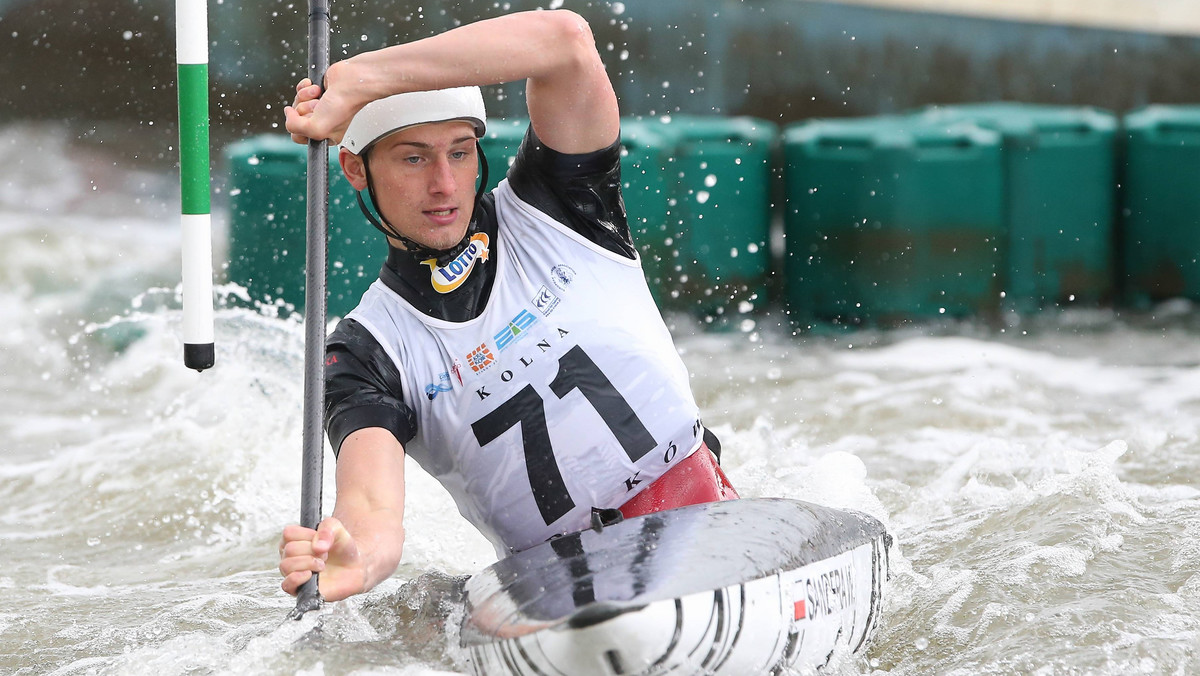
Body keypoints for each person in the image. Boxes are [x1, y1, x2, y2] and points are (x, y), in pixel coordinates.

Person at [277, 9, 737, 603]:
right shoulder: (367, 350)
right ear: (355, 168)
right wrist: (355, 560)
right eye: (413, 158)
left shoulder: (560, 209)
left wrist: (365, 78)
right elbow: (371, 508)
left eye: (460, 152)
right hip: (561, 598)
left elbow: (564, 40)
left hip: (705, 524)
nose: (444, 184)